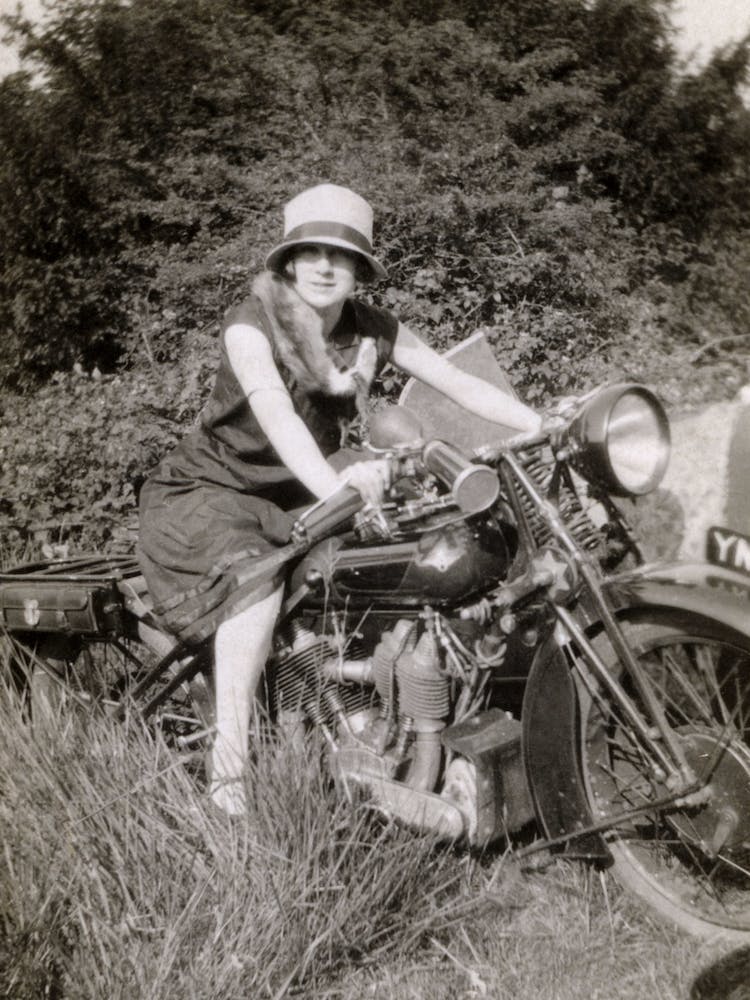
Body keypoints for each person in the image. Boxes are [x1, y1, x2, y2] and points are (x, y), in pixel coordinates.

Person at [137, 183, 541, 815]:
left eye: (342, 254)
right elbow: (278, 416)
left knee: (404, 547)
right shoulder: (252, 324)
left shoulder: (372, 328)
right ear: (290, 261)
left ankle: (366, 708)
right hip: (215, 492)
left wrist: (537, 421)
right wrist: (338, 485)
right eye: (312, 251)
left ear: (359, 268)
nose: (326, 266)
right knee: (256, 591)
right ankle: (231, 772)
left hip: (306, 483)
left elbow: (459, 382)